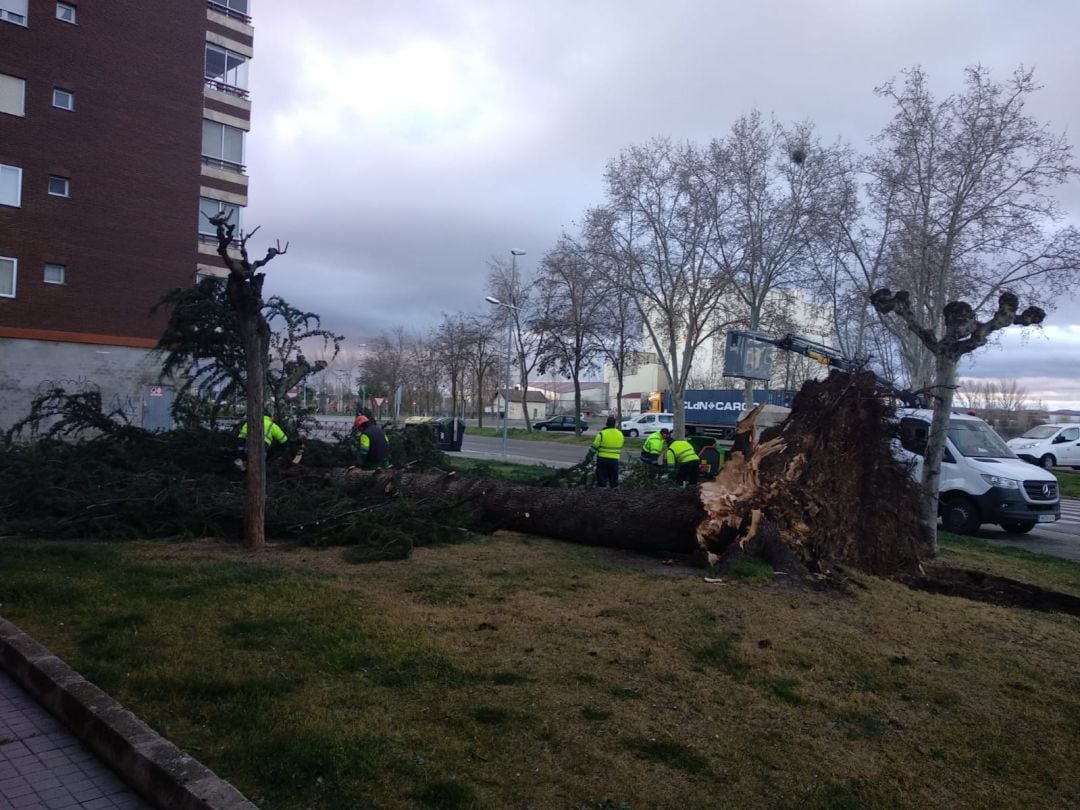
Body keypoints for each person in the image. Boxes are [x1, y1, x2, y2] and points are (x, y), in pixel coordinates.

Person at [584, 415, 625, 488]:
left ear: (606, 423)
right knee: (613, 479)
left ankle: (602, 494)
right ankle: (615, 495)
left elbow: (593, 448)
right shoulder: (620, 434)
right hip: (614, 460)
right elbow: (621, 445)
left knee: (602, 479)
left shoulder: (602, 434)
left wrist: (588, 458)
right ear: (615, 424)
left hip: (602, 459)